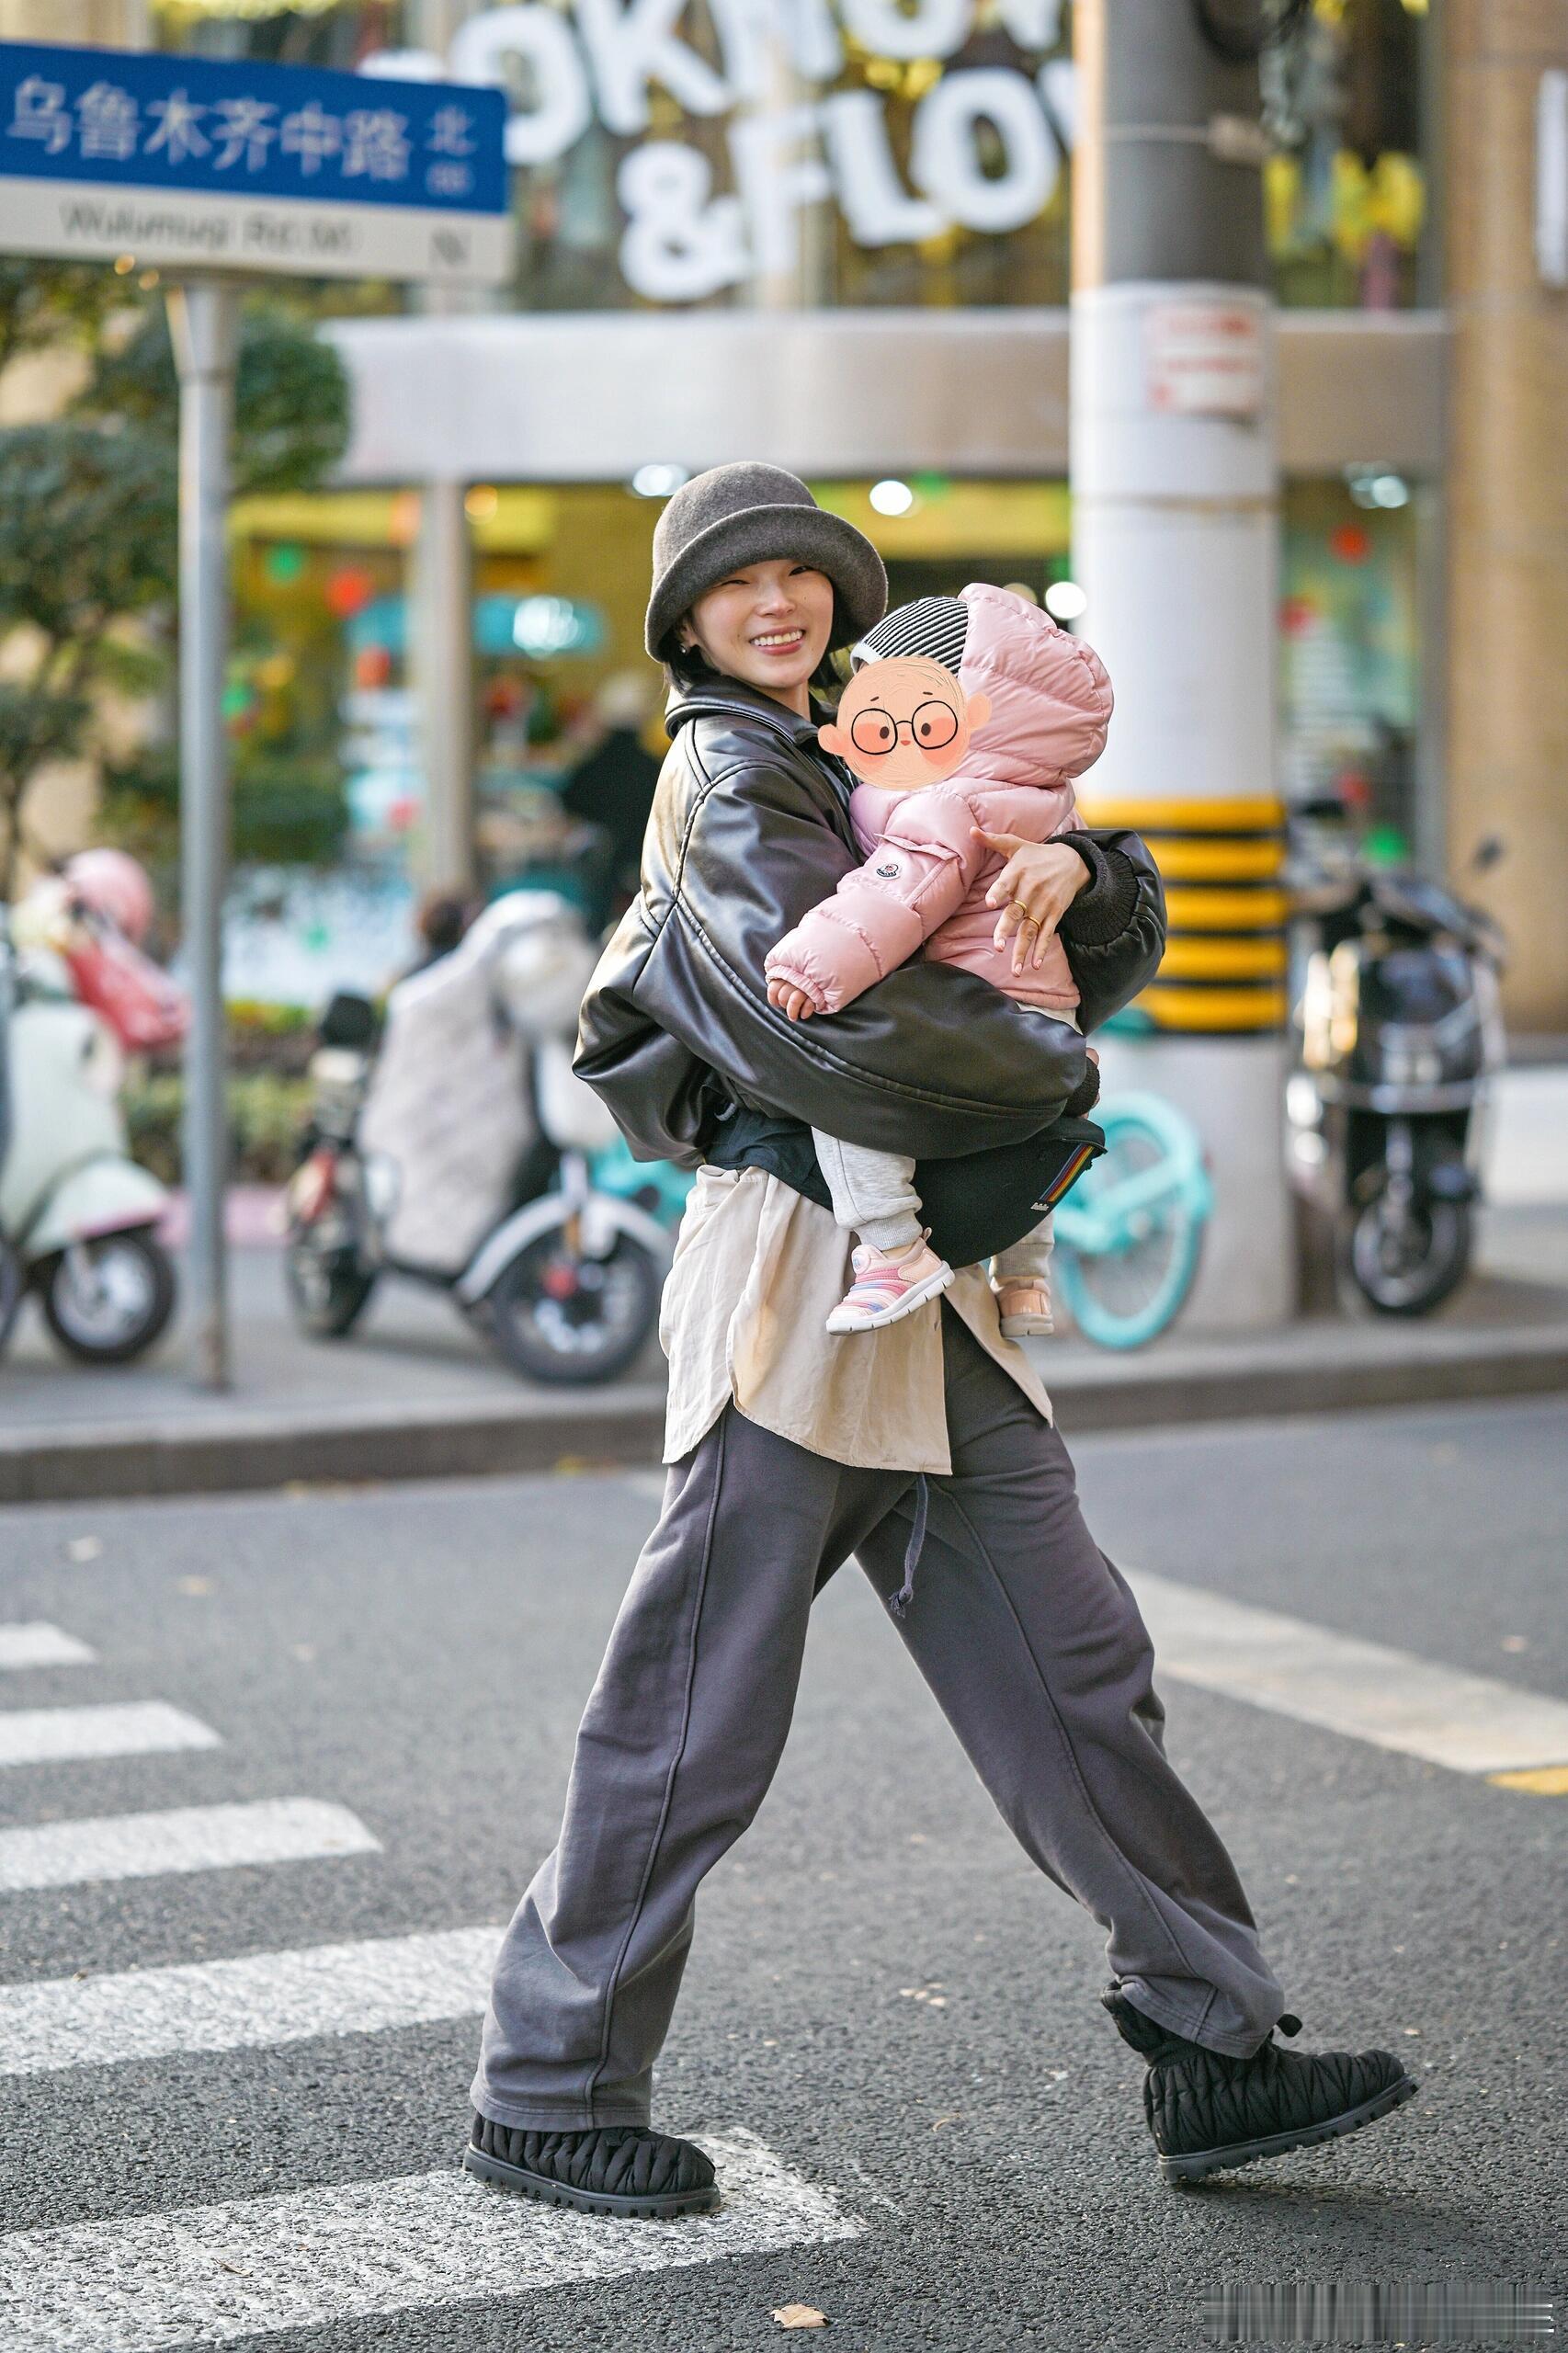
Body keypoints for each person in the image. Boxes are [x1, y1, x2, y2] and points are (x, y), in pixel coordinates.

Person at [462, 464, 1415, 2220]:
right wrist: (1057, 1077)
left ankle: (1212, 2041)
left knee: (1073, 1667)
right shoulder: (724, 776)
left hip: (934, 1300)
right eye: (738, 585)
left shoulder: (860, 748)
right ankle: (550, 2080)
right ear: (683, 623)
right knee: (695, 1706)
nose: (780, 603)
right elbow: (826, 1021)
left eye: (805, 578)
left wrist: (1078, 868)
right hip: (808, 1283)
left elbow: (1022, 912)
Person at [764, 585, 1108, 1338]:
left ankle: (893, 1251)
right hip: (1043, 1009)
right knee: (1020, 1135)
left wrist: (812, 967)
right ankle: (1024, 1281)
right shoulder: (1044, 793)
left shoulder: (945, 805)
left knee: (846, 1094)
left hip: (975, 1004)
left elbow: (893, 899)